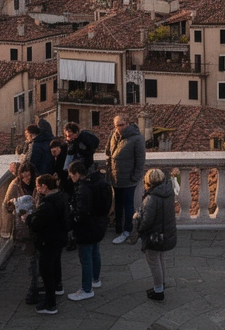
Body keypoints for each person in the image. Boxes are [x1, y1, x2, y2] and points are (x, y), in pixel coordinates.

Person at [66, 162, 111, 301]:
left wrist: (72, 222)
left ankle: (87, 289)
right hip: (100, 223)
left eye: (72, 175)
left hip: (86, 227)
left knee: (85, 258)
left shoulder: (83, 188)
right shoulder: (100, 181)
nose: (71, 178)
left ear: (78, 174)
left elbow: (81, 212)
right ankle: (95, 280)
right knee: (95, 252)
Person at [131, 168, 177, 301]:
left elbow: (147, 221)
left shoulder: (151, 198)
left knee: (153, 260)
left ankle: (158, 291)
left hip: (154, 236)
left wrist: (138, 226)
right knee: (160, 258)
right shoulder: (168, 192)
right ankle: (161, 285)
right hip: (166, 234)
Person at [26, 174, 69, 315]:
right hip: (59, 238)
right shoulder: (61, 197)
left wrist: (27, 218)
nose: (37, 189)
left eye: (38, 186)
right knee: (56, 264)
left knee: (46, 272)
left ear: (44, 186)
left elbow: (36, 224)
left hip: (47, 241)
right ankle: (58, 287)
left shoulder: (47, 204)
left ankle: (50, 304)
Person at [5, 162, 42, 302]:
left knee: (40, 257)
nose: (27, 178)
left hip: (38, 225)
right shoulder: (15, 186)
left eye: (29, 175)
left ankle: (39, 284)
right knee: (32, 259)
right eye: (24, 176)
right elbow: (6, 206)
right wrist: (14, 204)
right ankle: (33, 288)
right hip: (24, 228)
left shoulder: (38, 184)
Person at [107, 114, 145, 243]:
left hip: (129, 179)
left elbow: (140, 160)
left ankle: (128, 230)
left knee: (128, 205)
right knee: (117, 204)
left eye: (121, 125)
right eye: (116, 125)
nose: (118, 128)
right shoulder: (114, 135)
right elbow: (109, 152)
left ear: (127, 124)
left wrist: (135, 176)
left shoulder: (137, 138)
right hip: (115, 177)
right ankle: (119, 228)